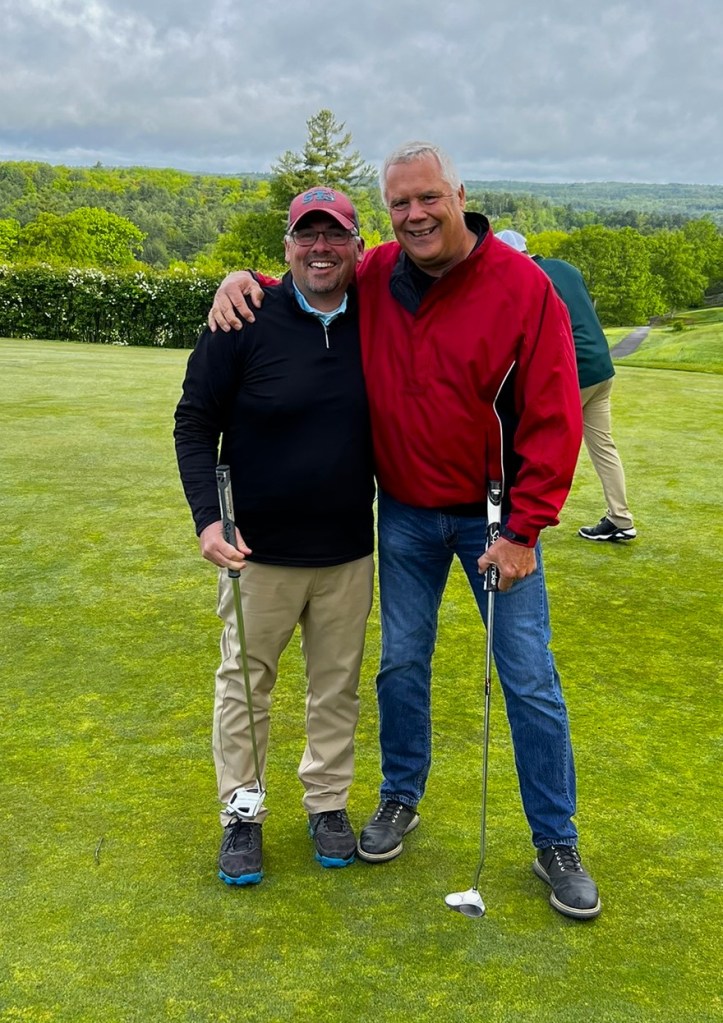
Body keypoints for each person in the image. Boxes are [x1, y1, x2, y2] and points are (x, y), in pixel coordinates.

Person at [209, 143, 601, 919]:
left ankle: (555, 839)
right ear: (386, 213)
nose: (415, 215)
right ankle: (398, 796)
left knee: (526, 676)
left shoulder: (523, 287)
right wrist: (241, 279)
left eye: (427, 198)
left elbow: (556, 416)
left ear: (459, 195)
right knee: (400, 666)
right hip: (405, 513)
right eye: (399, 204)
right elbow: (311, 277)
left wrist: (525, 529)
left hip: (496, 519)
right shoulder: (381, 270)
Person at [174, 187, 375, 885]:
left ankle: (327, 803)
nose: (320, 248)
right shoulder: (243, 316)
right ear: (287, 247)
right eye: (306, 235)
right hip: (256, 550)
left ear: (357, 246)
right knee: (245, 683)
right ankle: (242, 810)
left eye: (334, 235)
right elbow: (194, 421)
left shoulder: (378, 313)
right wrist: (208, 518)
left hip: (347, 549)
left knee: (336, 686)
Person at [496, 229, 637, 542]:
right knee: (604, 446)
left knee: (535, 440)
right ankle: (621, 518)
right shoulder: (566, 268)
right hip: (602, 367)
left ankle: (520, 519)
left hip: (574, 371)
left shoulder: (526, 277)